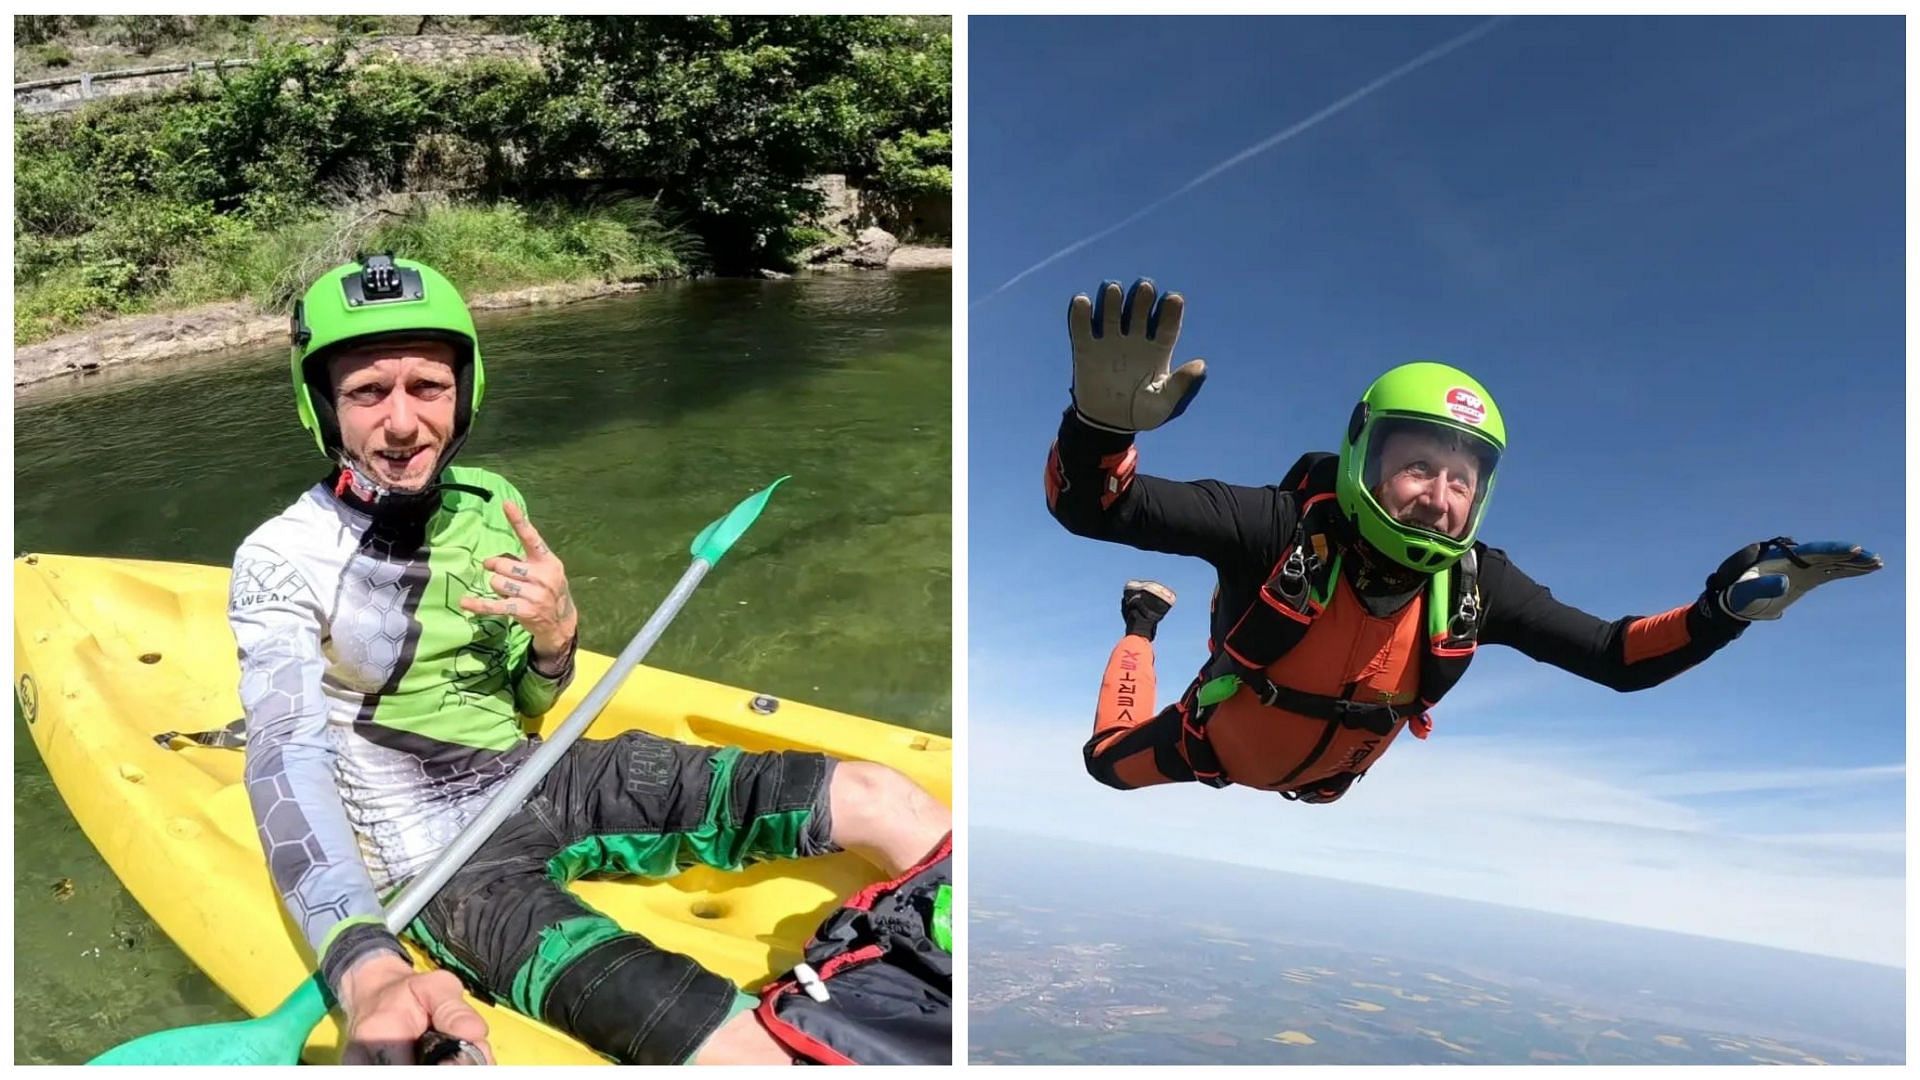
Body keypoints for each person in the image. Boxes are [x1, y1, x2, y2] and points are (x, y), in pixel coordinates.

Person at [228, 255, 950, 1065]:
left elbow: (530, 707)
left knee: (884, 799)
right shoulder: (281, 559)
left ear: (464, 391)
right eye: (368, 393)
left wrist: (556, 635)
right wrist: (363, 965)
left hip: (540, 774)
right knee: (746, 1053)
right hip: (444, 866)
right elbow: (285, 757)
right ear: (321, 405)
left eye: (427, 387)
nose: (403, 423)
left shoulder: (493, 502)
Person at [1045, 278, 1882, 802]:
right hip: (1213, 746)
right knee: (1105, 763)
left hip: (1315, 777)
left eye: (1462, 478)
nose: (1440, 496)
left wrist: (1721, 613)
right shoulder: (1275, 527)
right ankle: (1140, 623)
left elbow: (1612, 656)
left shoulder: (1479, 586)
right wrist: (1097, 429)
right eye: (1416, 466)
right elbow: (1100, 508)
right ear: (1360, 457)